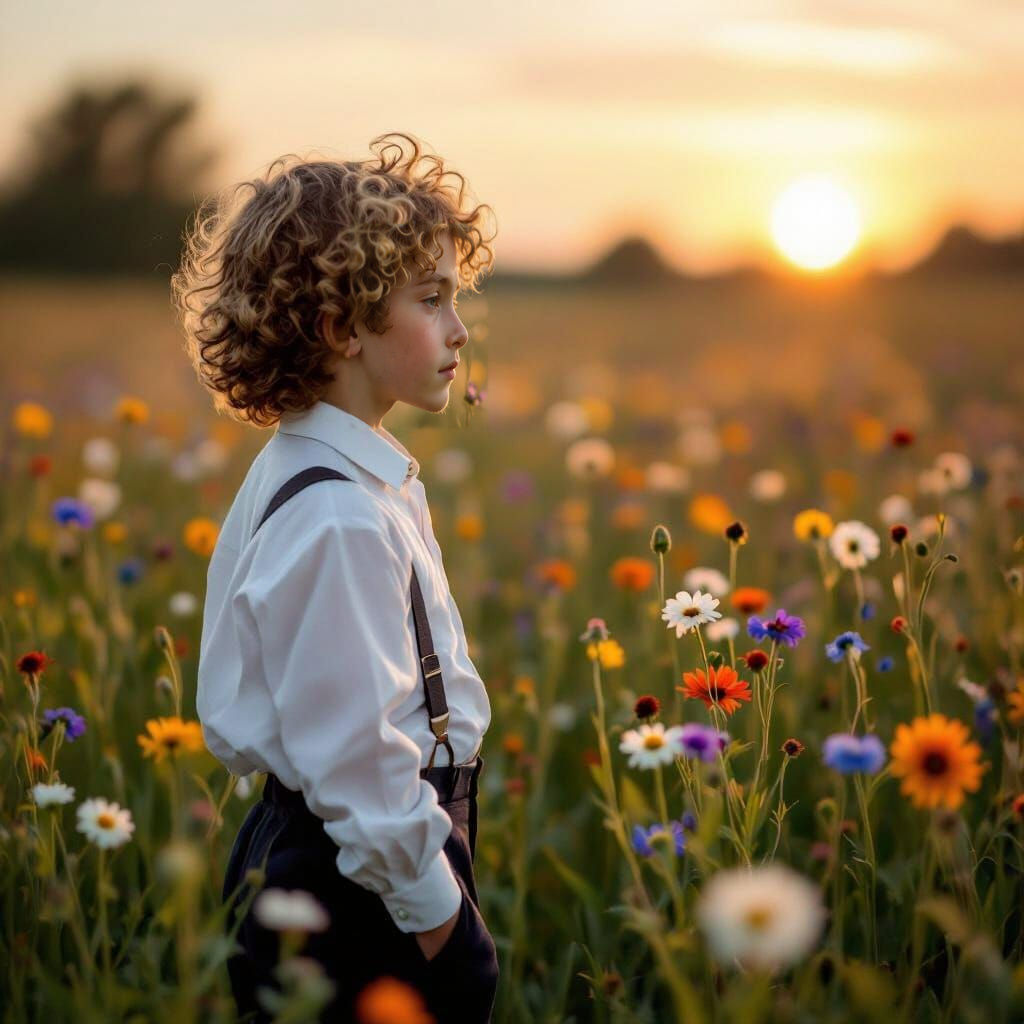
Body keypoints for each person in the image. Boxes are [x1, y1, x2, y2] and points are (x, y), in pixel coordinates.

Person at [171, 132, 499, 1023]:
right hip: (354, 877)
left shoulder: (331, 474)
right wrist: (444, 929)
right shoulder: (338, 516)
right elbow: (357, 765)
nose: (460, 331)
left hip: (345, 850)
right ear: (340, 327)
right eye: (431, 300)